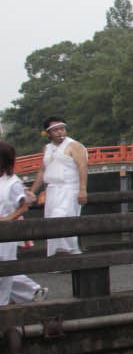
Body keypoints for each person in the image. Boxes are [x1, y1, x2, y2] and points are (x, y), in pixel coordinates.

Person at [27, 117, 88, 256]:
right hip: (52, 190)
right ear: (48, 133)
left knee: (61, 219)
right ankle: (56, 257)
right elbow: (42, 171)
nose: (60, 132)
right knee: (51, 223)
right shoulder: (47, 148)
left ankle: (69, 253)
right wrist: (32, 192)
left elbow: (82, 167)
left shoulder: (74, 146)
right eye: (56, 130)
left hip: (69, 189)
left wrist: (83, 189)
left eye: (62, 128)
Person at [1, 142, 48, 306]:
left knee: (5, 268)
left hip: (6, 230)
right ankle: (32, 292)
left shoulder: (12, 182)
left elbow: (23, 207)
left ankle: (5, 304)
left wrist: (8, 218)